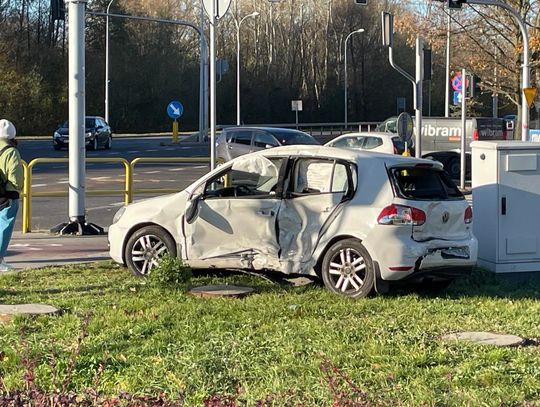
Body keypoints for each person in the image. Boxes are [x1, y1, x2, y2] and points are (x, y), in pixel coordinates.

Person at [0, 119, 23, 272]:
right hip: (7, 195)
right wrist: (18, 187)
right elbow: (15, 177)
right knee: (4, 226)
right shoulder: (11, 152)